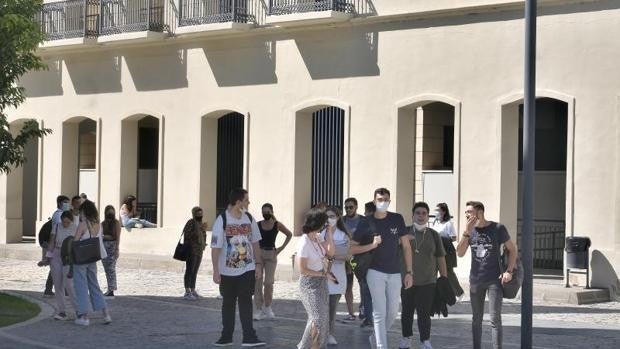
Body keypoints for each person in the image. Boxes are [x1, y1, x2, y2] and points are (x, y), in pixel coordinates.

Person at [351, 188, 413, 349]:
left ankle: (375, 336)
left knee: (392, 311)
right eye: (379, 199)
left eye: (385, 199)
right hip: (374, 271)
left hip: (395, 272)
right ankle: (380, 345)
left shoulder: (397, 219)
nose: (382, 202)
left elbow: (406, 247)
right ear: (374, 201)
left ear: (390, 201)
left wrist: (409, 272)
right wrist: (372, 245)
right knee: (379, 311)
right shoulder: (366, 222)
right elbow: (352, 249)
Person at [456, 201, 518, 349]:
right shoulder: (469, 231)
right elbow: (460, 253)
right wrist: (466, 232)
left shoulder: (497, 228)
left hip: (494, 281)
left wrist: (509, 271)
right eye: (466, 213)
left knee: (495, 319)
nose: (467, 215)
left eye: (469, 212)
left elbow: (513, 250)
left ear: (480, 213)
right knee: (476, 319)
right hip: (476, 280)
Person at [211, 188, 265, 347]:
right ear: (238, 202)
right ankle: (226, 336)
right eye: (246, 200)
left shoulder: (249, 218)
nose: (248, 203)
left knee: (246, 302)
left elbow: (255, 242)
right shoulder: (222, 220)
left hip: (247, 269)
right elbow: (215, 247)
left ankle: (249, 337)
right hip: (227, 271)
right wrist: (215, 270)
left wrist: (258, 265)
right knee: (228, 303)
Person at [399, 202, 447, 349]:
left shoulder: (434, 235)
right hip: (407, 280)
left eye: (424, 213)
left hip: (428, 281)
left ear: (427, 216)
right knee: (406, 312)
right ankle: (406, 338)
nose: (421, 216)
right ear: (413, 215)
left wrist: (444, 278)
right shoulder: (404, 232)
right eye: (418, 213)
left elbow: (440, 257)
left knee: (424, 314)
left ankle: (425, 340)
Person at [296, 207, 336, 349]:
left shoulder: (317, 238)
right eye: (324, 223)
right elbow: (302, 269)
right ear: (318, 223)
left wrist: (330, 233)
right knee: (317, 318)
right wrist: (323, 274)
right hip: (308, 285)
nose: (326, 225)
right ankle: (304, 346)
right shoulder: (304, 242)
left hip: (321, 282)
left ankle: (317, 346)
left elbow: (331, 252)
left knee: (322, 319)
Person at [72, 200, 112, 326]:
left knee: (81, 286)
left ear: (84, 211)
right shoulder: (98, 224)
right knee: (94, 285)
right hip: (93, 257)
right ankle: (105, 314)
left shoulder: (84, 224)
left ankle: (83, 316)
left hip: (82, 257)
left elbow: (75, 240)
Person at [254, 203, 292, 319]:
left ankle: (267, 306)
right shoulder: (258, 224)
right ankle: (259, 309)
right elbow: (253, 239)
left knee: (269, 282)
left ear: (271, 212)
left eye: (267, 212)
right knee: (258, 282)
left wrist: (281, 248)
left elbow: (289, 234)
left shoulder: (277, 224)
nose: (265, 214)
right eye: (263, 212)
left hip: (271, 254)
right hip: (259, 254)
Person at [321, 206, 350, 345]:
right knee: (322, 308)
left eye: (332, 216)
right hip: (321, 276)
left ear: (338, 218)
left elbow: (345, 255)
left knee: (332, 308)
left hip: (338, 276)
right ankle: (321, 333)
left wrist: (329, 255)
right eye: (327, 216)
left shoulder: (343, 235)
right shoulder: (320, 234)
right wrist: (331, 255)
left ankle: (330, 334)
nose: (329, 219)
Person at [343, 197, 372, 326]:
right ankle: (350, 313)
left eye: (351, 207)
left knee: (363, 285)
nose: (348, 209)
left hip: (361, 258)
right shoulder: (341, 221)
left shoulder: (363, 221)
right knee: (347, 286)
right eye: (346, 207)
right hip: (345, 258)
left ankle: (364, 310)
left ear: (356, 207)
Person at [47, 210, 78, 320]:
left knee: (69, 284)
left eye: (68, 222)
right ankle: (62, 311)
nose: (65, 224)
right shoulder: (56, 226)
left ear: (71, 221)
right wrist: (48, 256)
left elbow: (76, 244)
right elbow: (51, 242)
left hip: (68, 257)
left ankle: (78, 310)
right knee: (58, 284)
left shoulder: (75, 227)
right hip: (56, 254)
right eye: (64, 222)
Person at [431, 203, 464, 298]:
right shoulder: (435, 222)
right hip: (435, 250)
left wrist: (441, 237)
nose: (436, 212)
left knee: (448, 272)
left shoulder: (448, 223)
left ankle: (459, 293)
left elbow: (453, 237)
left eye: (438, 210)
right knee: (433, 271)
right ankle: (433, 293)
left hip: (446, 250)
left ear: (443, 211)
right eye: (435, 210)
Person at [182, 206, 208, 300]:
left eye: (201, 214)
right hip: (191, 250)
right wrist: (200, 229)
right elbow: (187, 234)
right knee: (190, 270)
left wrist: (204, 243)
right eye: (198, 214)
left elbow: (203, 235)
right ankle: (187, 291)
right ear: (194, 214)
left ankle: (193, 289)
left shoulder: (201, 223)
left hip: (199, 250)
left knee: (195, 271)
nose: (200, 216)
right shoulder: (191, 222)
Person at [101, 205, 121, 298]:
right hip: (104, 247)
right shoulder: (103, 223)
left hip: (112, 247)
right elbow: (100, 235)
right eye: (109, 211)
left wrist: (117, 249)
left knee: (111, 269)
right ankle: (109, 288)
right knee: (107, 269)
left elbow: (117, 237)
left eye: (111, 211)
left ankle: (111, 289)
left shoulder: (116, 223)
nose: (110, 214)